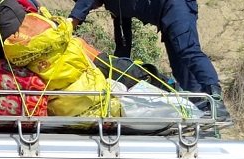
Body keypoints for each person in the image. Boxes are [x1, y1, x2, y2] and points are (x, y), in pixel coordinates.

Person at [69, 0, 230, 119]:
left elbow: (79, 11)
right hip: (165, 15)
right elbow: (123, 45)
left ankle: (215, 100)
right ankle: (198, 107)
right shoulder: (115, 5)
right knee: (179, 67)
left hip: (176, 6)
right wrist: (117, 79)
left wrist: (70, 24)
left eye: (91, 6)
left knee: (188, 50)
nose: (94, 8)